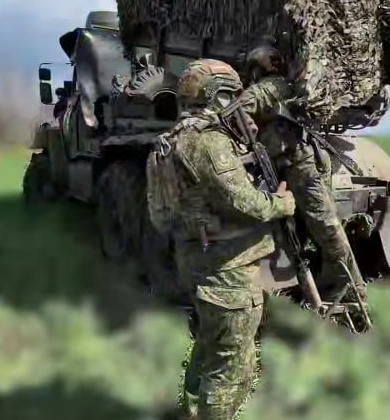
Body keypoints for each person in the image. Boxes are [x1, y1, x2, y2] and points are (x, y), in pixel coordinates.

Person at [146, 59, 296, 420]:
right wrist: (282, 203)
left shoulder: (168, 141)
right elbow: (246, 203)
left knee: (209, 346)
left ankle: (190, 408)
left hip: (195, 260)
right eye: (232, 95)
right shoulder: (208, 142)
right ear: (219, 95)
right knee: (232, 370)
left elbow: (160, 214)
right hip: (225, 270)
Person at [236, 45, 367, 302]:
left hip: (297, 163)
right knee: (313, 226)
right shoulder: (289, 85)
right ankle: (327, 284)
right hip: (302, 160)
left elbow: (238, 109)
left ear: (258, 68)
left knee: (324, 224)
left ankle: (352, 288)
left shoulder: (269, 87)